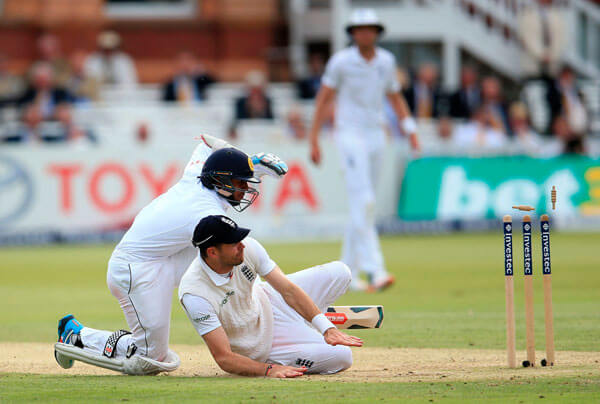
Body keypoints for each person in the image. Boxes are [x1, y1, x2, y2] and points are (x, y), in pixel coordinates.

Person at [54, 135, 289, 375]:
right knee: (153, 359)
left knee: (237, 264)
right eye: (240, 182)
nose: (246, 189)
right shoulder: (205, 212)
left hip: (168, 258)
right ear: (221, 180)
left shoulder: (196, 174)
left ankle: (279, 312)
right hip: (136, 270)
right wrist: (254, 167)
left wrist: (248, 163)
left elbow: (207, 143)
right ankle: (77, 335)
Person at [308, 8, 420, 292]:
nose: (365, 33)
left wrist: (411, 131)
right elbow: (323, 100)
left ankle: (345, 274)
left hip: (375, 135)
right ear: (353, 33)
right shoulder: (341, 62)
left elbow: (395, 98)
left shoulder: (386, 61)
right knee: (366, 200)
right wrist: (313, 138)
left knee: (361, 205)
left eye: (370, 28)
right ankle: (375, 269)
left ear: (377, 32)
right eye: (360, 29)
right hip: (348, 134)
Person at [179, 215, 362, 377]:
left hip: (270, 300)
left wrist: (327, 328)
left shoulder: (247, 247)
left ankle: (310, 320)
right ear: (212, 252)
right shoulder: (194, 294)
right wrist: (268, 369)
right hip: (260, 346)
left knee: (341, 272)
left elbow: (288, 290)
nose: (242, 245)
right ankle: (306, 322)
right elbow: (224, 357)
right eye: (234, 243)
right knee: (343, 356)